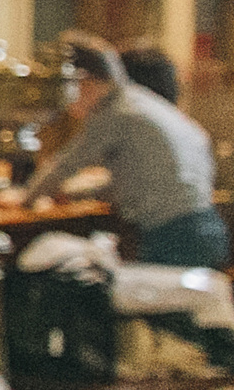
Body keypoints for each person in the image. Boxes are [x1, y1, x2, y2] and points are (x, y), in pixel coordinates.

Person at [34, 35, 226, 268]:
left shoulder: (116, 112)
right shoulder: (140, 101)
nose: (67, 104)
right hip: (207, 228)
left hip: (174, 236)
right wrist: (72, 194)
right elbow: (135, 181)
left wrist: (25, 198)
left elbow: (65, 165)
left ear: (83, 82)